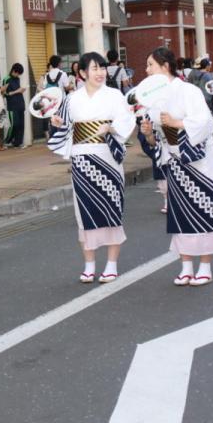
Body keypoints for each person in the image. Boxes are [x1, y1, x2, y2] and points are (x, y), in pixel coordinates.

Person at [139, 48, 213, 286]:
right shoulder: (152, 98)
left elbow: (205, 122)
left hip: (197, 160)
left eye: (150, 65)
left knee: (204, 208)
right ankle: (186, 265)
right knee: (180, 213)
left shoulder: (188, 90)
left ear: (165, 66)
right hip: (174, 159)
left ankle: (205, 265)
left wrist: (177, 122)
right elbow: (156, 139)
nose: (146, 70)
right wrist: (149, 135)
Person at [48, 52, 136, 283]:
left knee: (111, 209)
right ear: (83, 73)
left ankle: (111, 264)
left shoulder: (115, 95)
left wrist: (110, 128)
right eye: (95, 68)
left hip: (107, 158)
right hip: (82, 159)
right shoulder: (72, 99)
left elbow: (127, 120)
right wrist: (58, 122)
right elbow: (64, 124)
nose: (100, 73)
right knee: (84, 212)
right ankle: (89, 264)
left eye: (102, 68)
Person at [4, 63, 26, 147]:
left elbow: (19, 91)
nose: (18, 75)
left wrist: (21, 90)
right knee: (14, 125)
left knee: (21, 125)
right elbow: (4, 94)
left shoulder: (18, 79)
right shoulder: (6, 79)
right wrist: (17, 91)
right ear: (14, 70)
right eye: (18, 73)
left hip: (20, 104)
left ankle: (18, 143)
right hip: (12, 106)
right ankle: (7, 141)